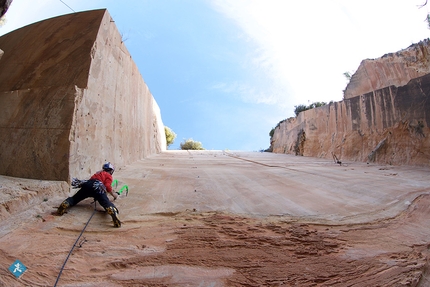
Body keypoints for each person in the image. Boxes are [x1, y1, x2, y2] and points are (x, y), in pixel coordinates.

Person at [57, 162, 121, 227]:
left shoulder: (97, 173)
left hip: (88, 184)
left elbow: (92, 181)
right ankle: (111, 209)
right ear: (111, 170)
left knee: (75, 198)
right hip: (98, 187)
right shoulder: (108, 175)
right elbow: (107, 186)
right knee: (105, 202)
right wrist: (113, 194)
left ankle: (66, 202)